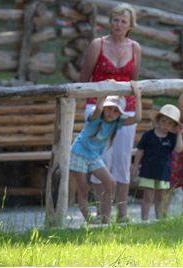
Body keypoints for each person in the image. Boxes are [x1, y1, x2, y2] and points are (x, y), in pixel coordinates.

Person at [77, 3, 141, 222]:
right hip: (98, 106)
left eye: (123, 21)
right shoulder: (98, 44)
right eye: (115, 20)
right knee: (100, 157)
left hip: (126, 108)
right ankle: (101, 212)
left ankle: (122, 213)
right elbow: (84, 77)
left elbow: (134, 79)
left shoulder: (135, 48)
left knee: (123, 159)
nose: (118, 24)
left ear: (130, 25)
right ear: (109, 22)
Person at [69, 81, 142, 224]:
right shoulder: (96, 117)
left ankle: (105, 219)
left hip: (93, 156)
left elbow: (137, 118)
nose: (111, 113)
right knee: (83, 188)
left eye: (116, 111)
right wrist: (104, 92)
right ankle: (90, 220)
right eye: (109, 109)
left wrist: (137, 96)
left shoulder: (116, 122)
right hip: (79, 153)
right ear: (104, 107)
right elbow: (98, 108)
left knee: (111, 183)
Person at [132, 104, 183, 221]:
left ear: (174, 126)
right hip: (148, 170)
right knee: (147, 197)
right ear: (158, 120)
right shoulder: (148, 135)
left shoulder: (172, 137)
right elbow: (140, 150)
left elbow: (178, 149)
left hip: (163, 171)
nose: (166, 125)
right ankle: (144, 220)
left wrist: (179, 134)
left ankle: (159, 219)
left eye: (170, 123)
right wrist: (136, 165)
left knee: (160, 197)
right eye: (164, 121)